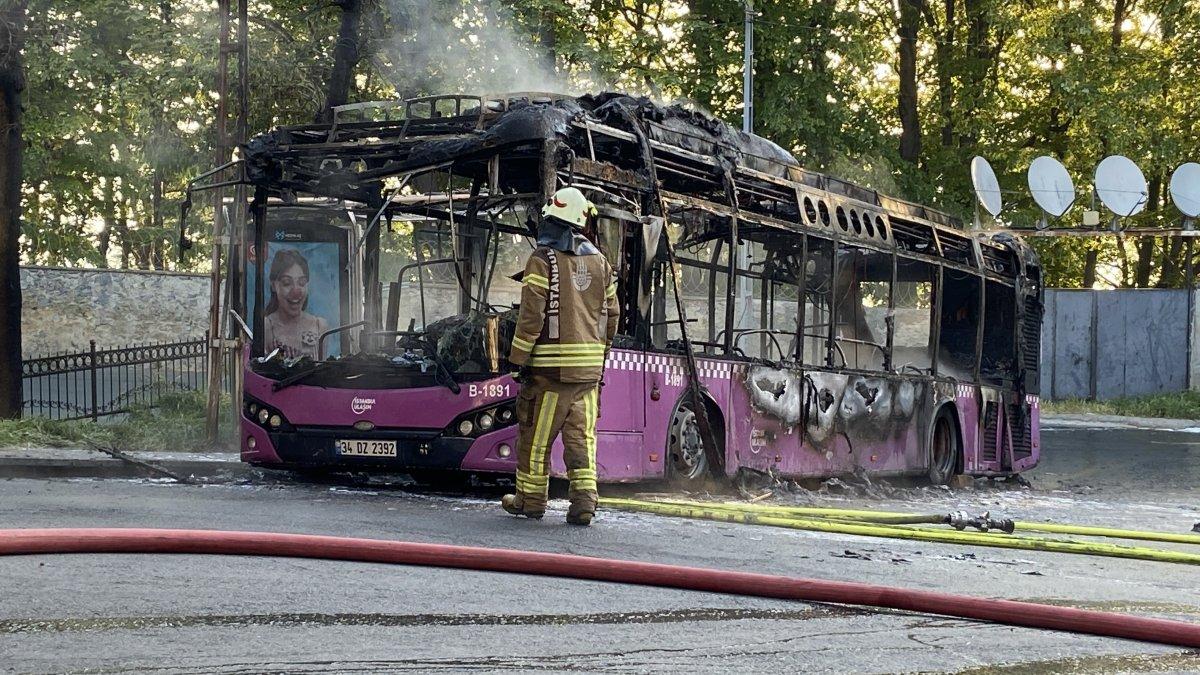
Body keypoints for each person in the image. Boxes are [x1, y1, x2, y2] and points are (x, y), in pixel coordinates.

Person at [501, 187, 619, 526]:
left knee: (535, 436)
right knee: (581, 437)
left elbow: (531, 316)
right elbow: (612, 313)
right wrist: (602, 351)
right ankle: (584, 502)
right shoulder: (601, 262)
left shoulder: (542, 259)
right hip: (588, 374)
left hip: (550, 373)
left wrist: (517, 361)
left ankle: (530, 500)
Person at [262, 248, 329, 360]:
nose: (295, 292)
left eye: (301, 283)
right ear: (274, 285)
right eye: (287, 283)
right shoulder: (266, 327)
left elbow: (322, 372)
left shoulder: (320, 326)